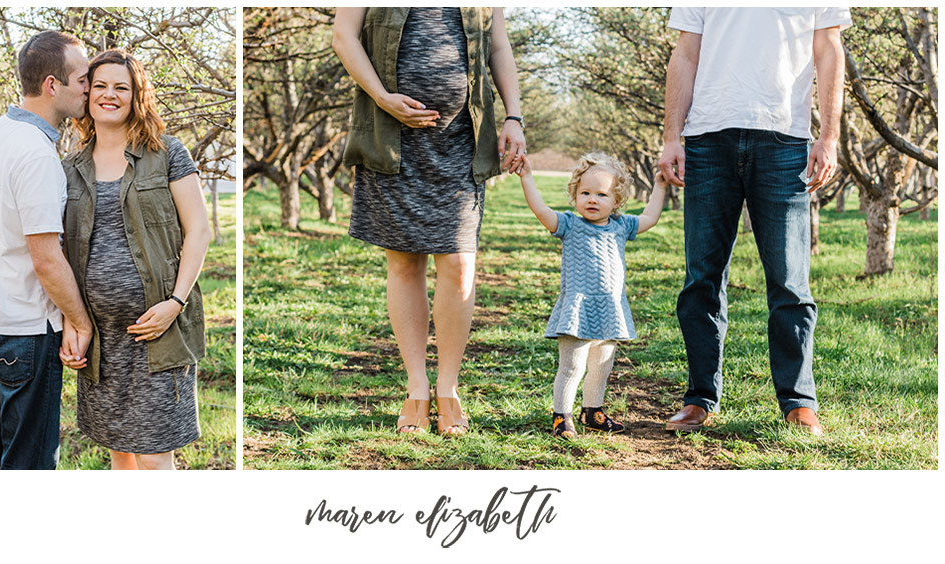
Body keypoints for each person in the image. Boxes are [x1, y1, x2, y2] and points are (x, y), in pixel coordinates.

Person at [332, 7, 525, 435]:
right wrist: (383, 98)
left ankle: (448, 387)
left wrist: (514, 115)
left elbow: (498, 45)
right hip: (391, 135)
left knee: (459, 265)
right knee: (403, 263)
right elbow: (343, 37)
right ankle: (416, 386)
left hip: (463, 138)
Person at [658, 8, 851, 435]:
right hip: (708, 136)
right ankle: (699, 398)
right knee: (701, 279)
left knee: (789, 281)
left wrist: (829, 136)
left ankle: (798, 402)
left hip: (784, 138)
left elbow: (828, 49)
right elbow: (686, 53)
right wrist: (672, 135)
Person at [61, 49, 211, 470]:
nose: (110, 95)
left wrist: (174, 303)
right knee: (120, 452)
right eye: (101, 86)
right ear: (88, 95)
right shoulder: (70, 168)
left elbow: (199, 231)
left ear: (136, 96)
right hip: (99, 338)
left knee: (153, 457)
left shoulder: (167, 153)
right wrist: (72, 323)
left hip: (157, 333)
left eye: (121, 87)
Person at [0, 31, 91, 470]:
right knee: (27, 467)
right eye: (84, 79)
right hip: (22, 333)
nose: (89, 89)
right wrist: (79, 320)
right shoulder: (35, 153)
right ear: (53, 85)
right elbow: (46, 258)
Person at [518, 152, 667, 438]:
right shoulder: (570, 225)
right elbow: (541, 211)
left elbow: (650, 217)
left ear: (617, 201)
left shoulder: (622, 226)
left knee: (601, 366)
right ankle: (562, 416)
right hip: (579, 308)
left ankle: (592, 411)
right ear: (574, 194)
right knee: (572, 366)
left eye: (602, 194)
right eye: (585, 192)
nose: (592, 200)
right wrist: (527, 177)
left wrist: (659, 186)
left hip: (610, 308)